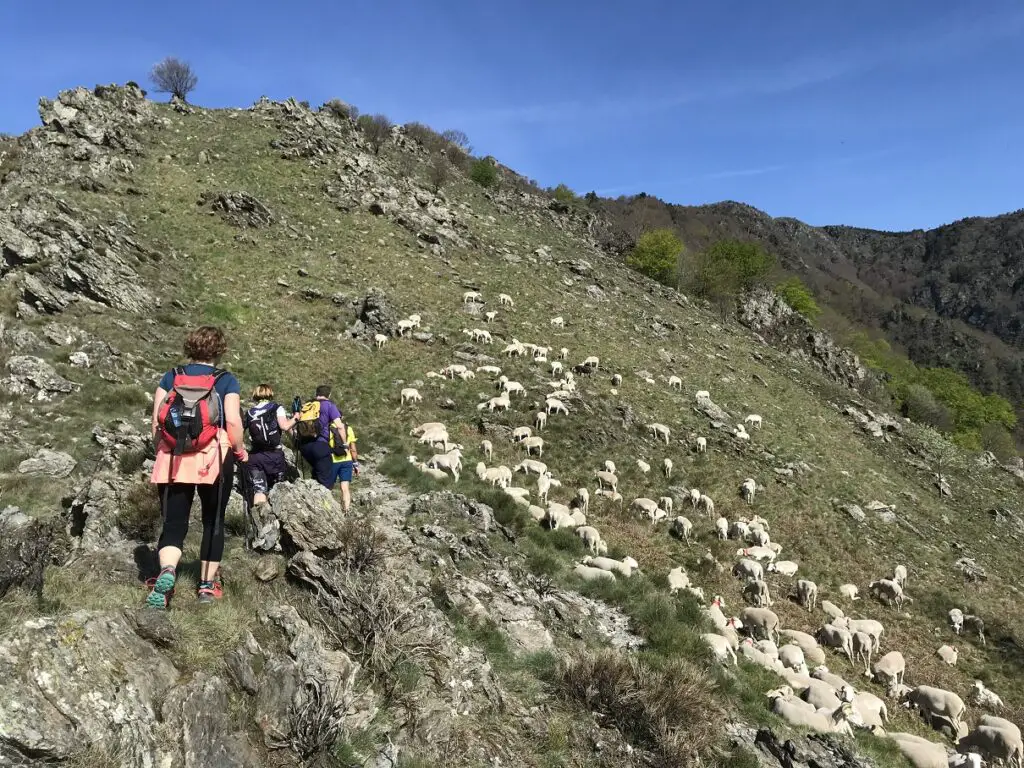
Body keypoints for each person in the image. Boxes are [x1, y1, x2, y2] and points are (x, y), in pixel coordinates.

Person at [148, 326, 246, 608]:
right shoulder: (226, 380)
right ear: (219, 351)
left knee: (174, 522)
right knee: (213, 521)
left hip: (174, 458)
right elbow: (234, 423)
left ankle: (167, 572)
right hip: (214, 457)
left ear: (190, 347)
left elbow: (156, 421)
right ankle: (205, 586)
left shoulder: (172, 376)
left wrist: (161, 451)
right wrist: (239, 452)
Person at [243, 384, 296, 512]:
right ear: (270, 393)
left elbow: (240, 432)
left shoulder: (249, 413)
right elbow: (284, 426)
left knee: (259, 489)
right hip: (274, 456)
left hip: (255, 456)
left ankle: (259, 522)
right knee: (278, 489)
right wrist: (296, 418)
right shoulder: (277, 408)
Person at [295, 384, 346, 489]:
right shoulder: (329, 405)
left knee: (317, 474)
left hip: (304, 447)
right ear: (329, 394)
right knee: (326, 483)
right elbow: (340, 426)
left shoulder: (307, 405)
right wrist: (344, 444)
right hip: (320, 446)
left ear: (316, 394)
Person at [329, 422, 360, 512]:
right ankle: (346, 510)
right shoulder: (348, 429)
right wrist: (355, 464)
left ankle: (329, 509)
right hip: (347, 460)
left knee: (329, 487)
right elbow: (353, 449)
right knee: (345, 488)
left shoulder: (328, 429)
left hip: (333, 461)